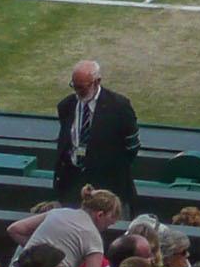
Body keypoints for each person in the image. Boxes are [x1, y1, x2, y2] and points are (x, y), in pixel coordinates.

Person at [53, 59, 140, 202]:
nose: (77, 91)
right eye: (74, 86)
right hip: (73, 183)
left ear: (97, 81)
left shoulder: (119, 107)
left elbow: (132, 146)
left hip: (107, 186)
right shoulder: (66, 106)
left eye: (82, 87)